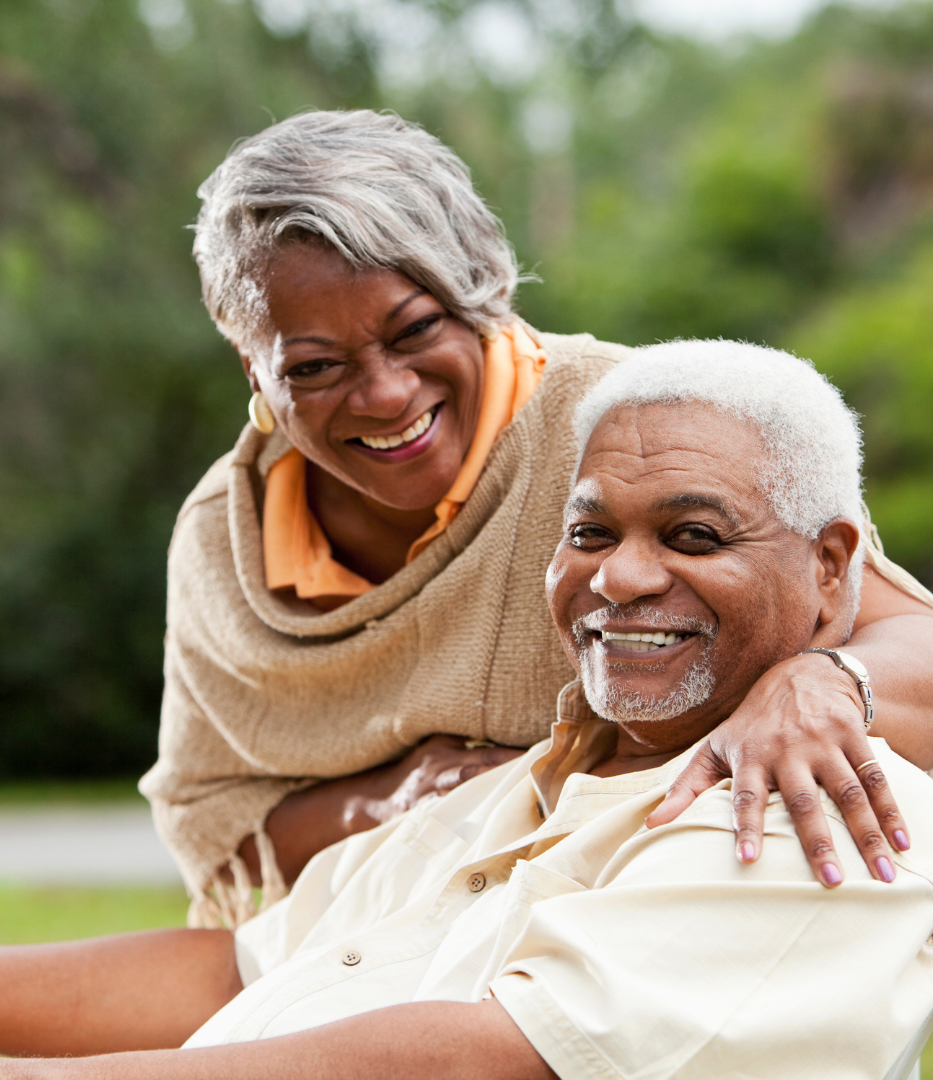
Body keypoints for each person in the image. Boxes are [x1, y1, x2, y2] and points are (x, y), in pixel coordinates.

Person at [0, 340, 932, 1080]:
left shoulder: (818, 807)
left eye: (694, 536)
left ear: (831, 569)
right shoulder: (511, 786)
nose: (621, 577)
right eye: (591, 533)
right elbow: (237, 968)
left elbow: (489, 1061)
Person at [139, 108, 933, 927]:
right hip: (372, 943)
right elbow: (211, 811)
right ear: (253, 366)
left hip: (648, 918)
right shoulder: (222, 537)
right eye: (313, 367)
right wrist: (392, 801)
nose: (384, 394)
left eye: (416, 329)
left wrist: (824, 681)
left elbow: (910, 639)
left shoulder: (636, 431)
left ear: (483, 292)